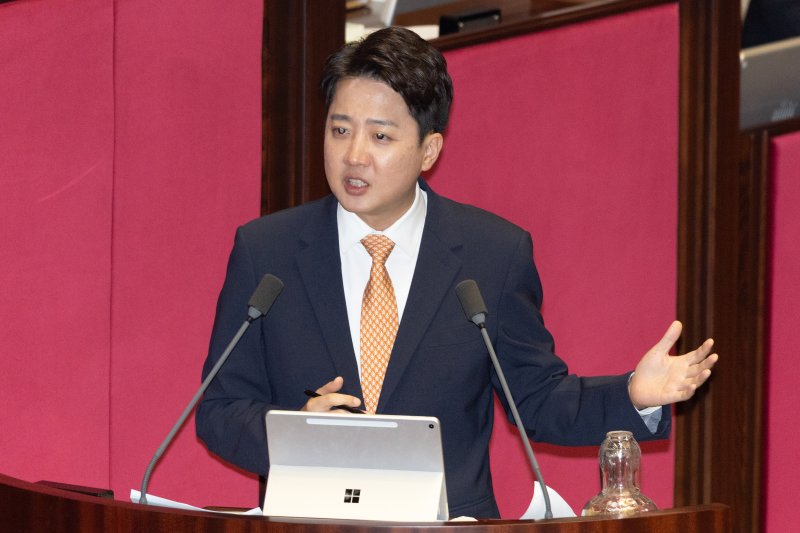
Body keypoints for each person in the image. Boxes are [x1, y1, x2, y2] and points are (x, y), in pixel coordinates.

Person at [195, 27, 718, 518]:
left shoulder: (492, 255)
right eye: (340, 130)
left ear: (429, 149)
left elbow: (536, 399)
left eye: (380, 137)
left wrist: (633, 394)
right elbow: (218, 408)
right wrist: (298, 432)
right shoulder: (267, 252)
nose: (354, 155)